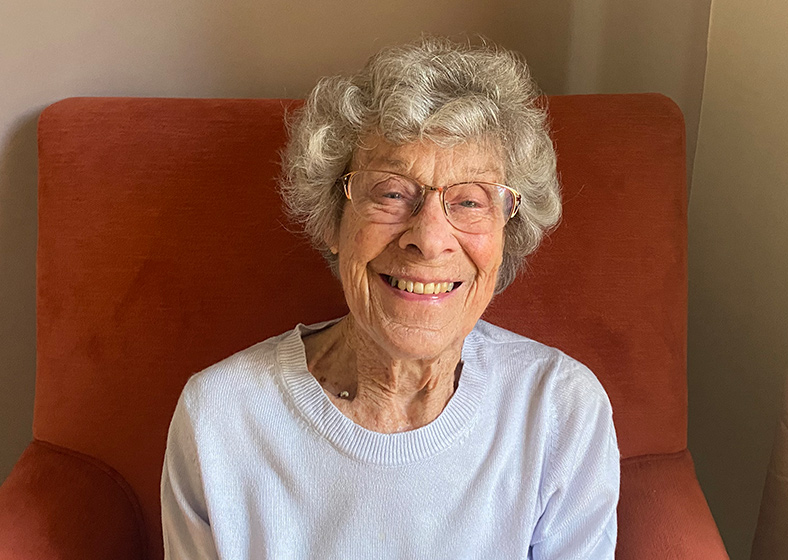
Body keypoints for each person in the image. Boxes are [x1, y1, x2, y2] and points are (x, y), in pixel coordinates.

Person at [161, 36, 620, 559]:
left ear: (505, 237)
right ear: (334, 220)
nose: (428, 237)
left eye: (469, 200)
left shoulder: (559, 412)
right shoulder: (219, 417)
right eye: (392, 192)